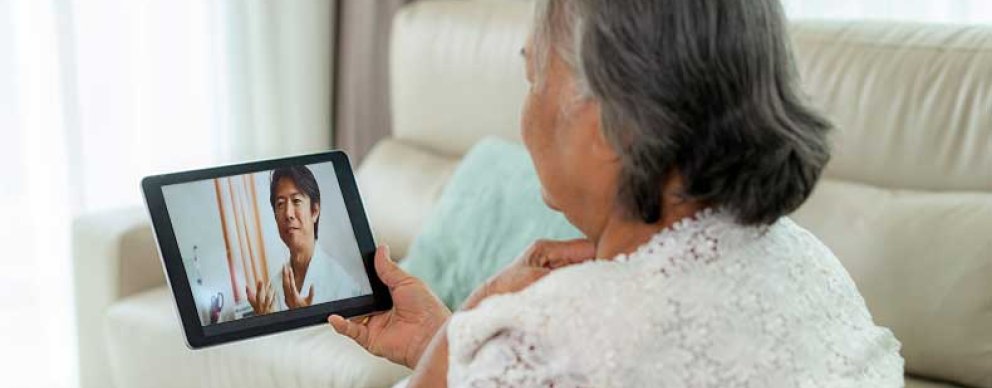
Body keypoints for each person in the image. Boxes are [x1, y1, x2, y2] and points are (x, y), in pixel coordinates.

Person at [328, 0, 905, 386]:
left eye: (534, 79)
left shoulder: (551, 339)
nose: (524, 115)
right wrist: (469, 340)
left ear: (608, 124)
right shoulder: (812, 266)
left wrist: (477, 321)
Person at [246, 166, 364, 315]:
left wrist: (303, 318)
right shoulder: (272, 288)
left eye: (296, 201)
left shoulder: (345, 287)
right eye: (280, 204)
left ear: (314, 211)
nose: (288, 214)